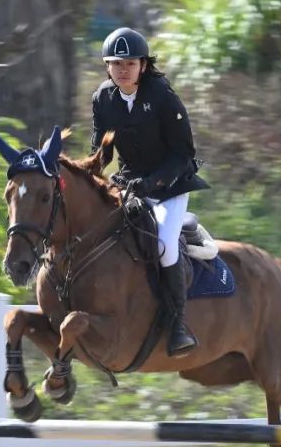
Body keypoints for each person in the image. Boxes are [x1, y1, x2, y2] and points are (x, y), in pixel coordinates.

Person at [90, 27, 210, 357]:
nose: (122, 70)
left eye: (130, 63)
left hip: (170, 185)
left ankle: (178, 326)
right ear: (107, 67)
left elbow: (183, 154)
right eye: (116, 63)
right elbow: (102, 152)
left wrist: (153, 183)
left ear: (143, 65)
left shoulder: (161, 95)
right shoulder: (103, 98)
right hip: (129, 184)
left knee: (164, 247)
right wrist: (88, 176)